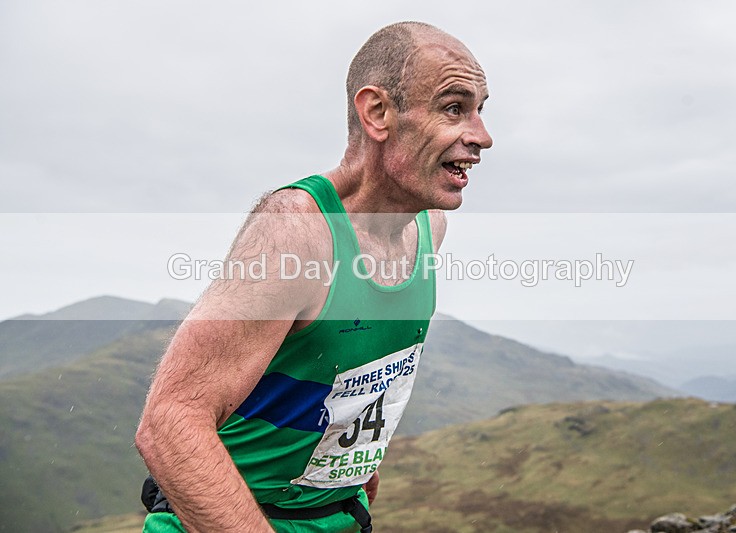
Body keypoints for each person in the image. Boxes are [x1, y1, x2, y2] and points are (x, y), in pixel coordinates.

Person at [135, 21, 492, 533]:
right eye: (455, 108)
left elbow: (363, 386)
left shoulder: (430, 228)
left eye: (481, 109)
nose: (482, 136)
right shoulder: (297, 230)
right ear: (378, 113)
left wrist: (356, 496)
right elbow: (169, 422)